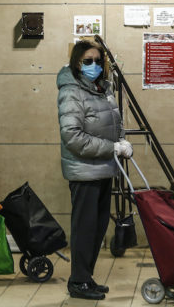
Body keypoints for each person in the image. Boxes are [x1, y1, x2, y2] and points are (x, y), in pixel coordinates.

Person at [56, 40, 132, 300]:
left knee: (98, 228)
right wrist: (113, 147)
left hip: (103, 169)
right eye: (87, 61)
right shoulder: (71, 91)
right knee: (84, 228)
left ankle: (85, 278)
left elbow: (114, 120)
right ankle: (78, 280)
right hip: (84, 172)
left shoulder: (102, 88)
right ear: (77, 63)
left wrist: (122, 141)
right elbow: (73, 137)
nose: (94, 65)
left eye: (98, 61)